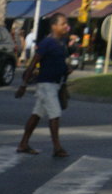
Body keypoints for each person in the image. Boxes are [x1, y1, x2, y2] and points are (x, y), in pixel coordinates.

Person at [15, 12, 71, 158]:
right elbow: (33, 63)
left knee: (37, 114)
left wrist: (66, 70)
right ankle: (57, 147)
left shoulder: (61, 42)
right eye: (63, 24)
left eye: (66, 24)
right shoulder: (47, 43)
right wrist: (24, 84)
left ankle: (23, 143)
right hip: (46, 85)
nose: (66, 26)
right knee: (55, 114)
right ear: (54, 26)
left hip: (55, 84)